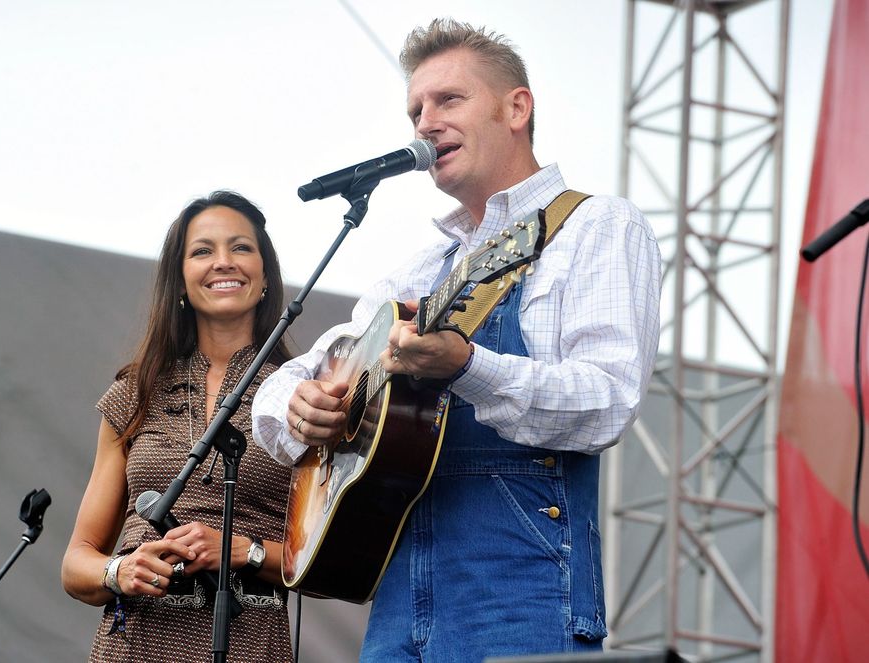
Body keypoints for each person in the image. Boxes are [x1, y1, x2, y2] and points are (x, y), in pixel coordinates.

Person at [251, 18, 662, 662]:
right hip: (395, 606)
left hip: (523, 595)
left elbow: (606, 401)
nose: (424, 122)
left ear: (516, 107)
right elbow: (283, 382)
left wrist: (469, 366)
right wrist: (303, 408)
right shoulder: (416, 273)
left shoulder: (594, 226)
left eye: (449, 100)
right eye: (415, 109)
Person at [62, 191, 295, 662]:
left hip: (248, 646)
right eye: (203, 251)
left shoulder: (303, 394)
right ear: (181, 280)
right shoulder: (135, 392)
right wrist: (120, 571)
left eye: (242, 248)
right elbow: (76, 563)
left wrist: (241, 549)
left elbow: (335, 568)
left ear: (266, 275)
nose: (223, 262)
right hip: (132, 645)